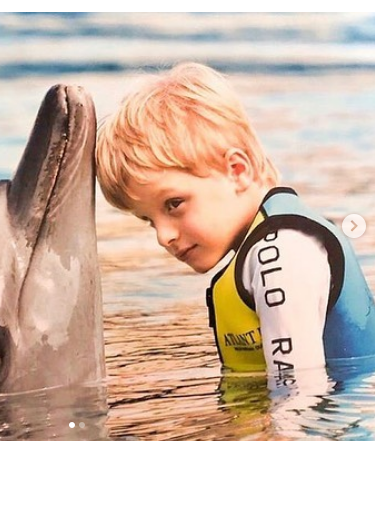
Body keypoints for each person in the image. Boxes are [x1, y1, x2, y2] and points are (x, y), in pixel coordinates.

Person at [96, 62, 375, 385]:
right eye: (148, 220)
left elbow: (298, 403)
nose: (163, 236)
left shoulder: (280, 252)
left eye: (174, 204)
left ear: (237, 171)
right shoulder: (261, 248)